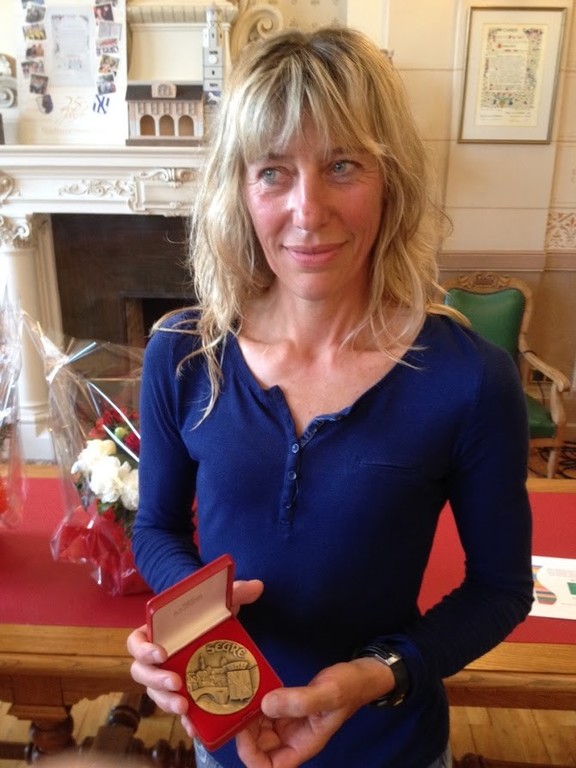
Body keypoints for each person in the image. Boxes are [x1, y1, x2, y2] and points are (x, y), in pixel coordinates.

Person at [127, 26, 533, 768]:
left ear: (391, 179)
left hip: (391, 746)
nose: (308, 211)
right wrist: (189, 627)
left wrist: (375, 675)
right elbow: (156, 528)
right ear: (239, 189)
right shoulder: (184, 355)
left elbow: (501, 588)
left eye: (342, 165)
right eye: (273, 172)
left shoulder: (469, 378)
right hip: (229, 741)